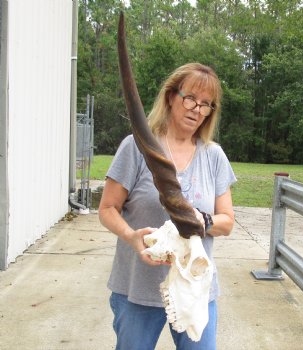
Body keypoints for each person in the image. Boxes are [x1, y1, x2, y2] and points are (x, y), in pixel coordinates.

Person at [99, 62, 237, 350]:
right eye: (190, 98)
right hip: (137, 289)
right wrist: (130, 236)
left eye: (206, 104)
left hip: (196, 289)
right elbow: (108, 208)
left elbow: (227, 221)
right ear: (171, 96)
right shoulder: (135, 148)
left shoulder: (214, 156)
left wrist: (204, 221)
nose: (196, 109)